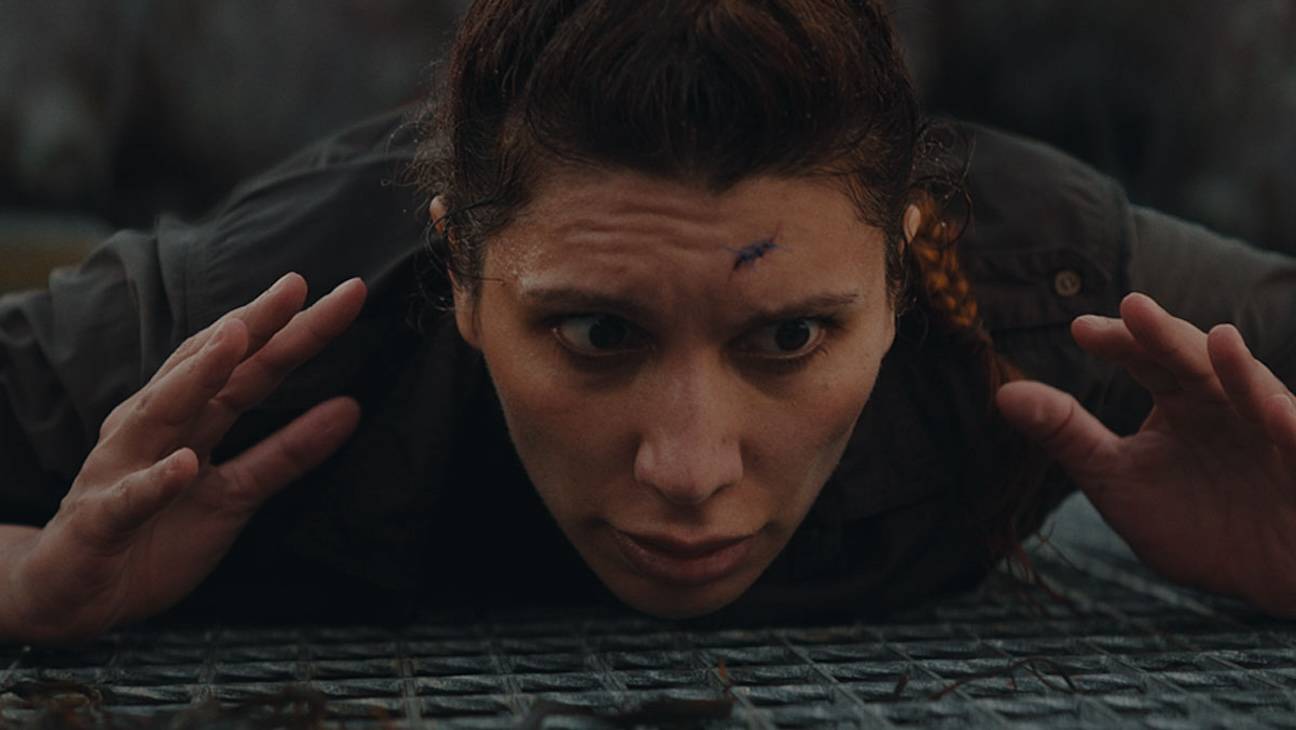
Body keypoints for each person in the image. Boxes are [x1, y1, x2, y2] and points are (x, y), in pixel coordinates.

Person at [2, 0, 1295, 644]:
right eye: (598, 336)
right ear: (462, 272)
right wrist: (26, 581)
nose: (689, 468)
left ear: (903, 277)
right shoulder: (252, 327)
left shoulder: (1049, 278)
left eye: (788, 339)